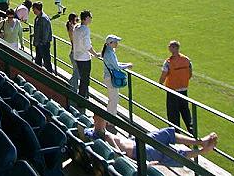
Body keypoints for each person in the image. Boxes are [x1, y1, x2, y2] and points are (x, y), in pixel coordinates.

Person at [85, 116, 218, 167]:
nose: (105, 121)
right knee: (169, 153)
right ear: (96, 120)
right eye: (102, 119)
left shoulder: (94, 132)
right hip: (140, 152)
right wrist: (145, 164)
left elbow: (84, 130)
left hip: (136, 142)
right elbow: (119, 157)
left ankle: (200, 142)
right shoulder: (102, 137)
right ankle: (202, 151)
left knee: (165, 133)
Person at [159, 40, 194, 135]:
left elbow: (164, 74)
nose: (169, 48)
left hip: (172, 91)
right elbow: (190, 73)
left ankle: (176, 136)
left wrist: (160, 83)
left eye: (170, 46)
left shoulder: (169, 61)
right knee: (186, 113)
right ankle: (193, 134)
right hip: (184, 90)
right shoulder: (186, 59)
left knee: (173, 115)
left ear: (174, 48)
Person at [72, 10, 100, 102]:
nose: (91, 19)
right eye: (90, 17)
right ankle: (82, 100)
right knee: (85, 80)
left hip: (77, 56)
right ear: (86, 18)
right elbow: (87, 45)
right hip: (84, 58)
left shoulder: (76, 27)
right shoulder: (85, 29)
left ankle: (82, 97)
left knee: (82, 78)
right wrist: (95, 54)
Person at [102, 35, 133, 115]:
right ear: (110, 43)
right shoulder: (109, 53)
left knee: (113, 99)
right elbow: (116, 66)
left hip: (109, 77)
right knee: (113, 99)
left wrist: (126, 64)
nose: (117, 44)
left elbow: (115, 64)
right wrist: (127, 65)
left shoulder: (109, 51)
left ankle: (111, 117)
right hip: (110, 78)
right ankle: (111, 118)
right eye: (115, 42)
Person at [32, 2, 52, 72]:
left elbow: (45, 33)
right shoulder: (38, 17)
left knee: (47, 62)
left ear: (38, 9)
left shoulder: (43, 18)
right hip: (39, 44)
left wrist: (42, 43)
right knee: (37, 62)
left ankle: (50, 77)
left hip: (43, 45)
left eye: (33, 9)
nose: (33, 11)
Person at [65, 12, 80, 93]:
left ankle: (70, 86)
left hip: (74, 52)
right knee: (77, 73)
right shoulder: (71, 29)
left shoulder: (71, 27)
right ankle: (70, 87)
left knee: (76, 72)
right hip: (74, 53)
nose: (77, 21)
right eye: (76, 19)